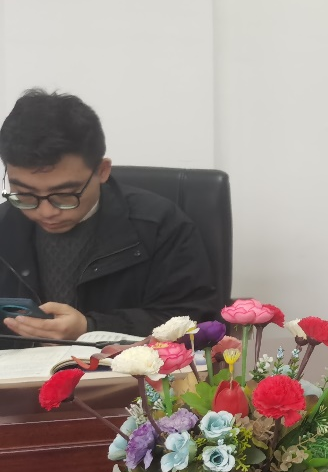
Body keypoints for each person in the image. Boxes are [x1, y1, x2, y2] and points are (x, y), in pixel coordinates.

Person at [0, 89, 221, 341]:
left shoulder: (159, 226)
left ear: (102, 171)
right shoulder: (4, 226)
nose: (46, 211)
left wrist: (91, 328)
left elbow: (196, 319)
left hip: (122, 366)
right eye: (25, 194)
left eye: (65, 195)